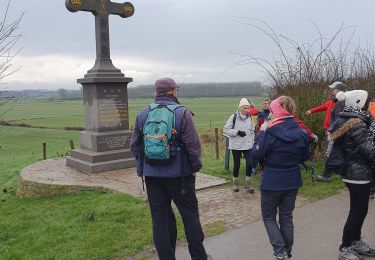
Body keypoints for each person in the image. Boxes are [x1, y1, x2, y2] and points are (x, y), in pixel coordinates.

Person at [130, 78, 209, 260]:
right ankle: (199, 257)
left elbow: (134, 147)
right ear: (174, 91)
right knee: (189, 216)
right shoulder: (182, 113)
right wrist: (194, 167)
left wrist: (145, 167)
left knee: (160, 221)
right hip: (180, 176)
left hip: (152, 177)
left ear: (156, 92)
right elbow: (193, 146)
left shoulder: (143, 114)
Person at [252, 96, 310, 260]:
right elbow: (303, 157)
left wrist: (261, 132)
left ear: (275, 111)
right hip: (292, 179)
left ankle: (280, 251)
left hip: (272, 180)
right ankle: (287, 251)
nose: (269, 113)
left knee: (269, 217)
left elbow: (256, 155)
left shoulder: (269, 132)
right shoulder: (301, 132)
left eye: (271, 110)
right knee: (286, 216)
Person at [329, 90, 375, 260]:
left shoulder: (350, 120)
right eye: (367, 102)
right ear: (359, 103)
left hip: (354, 172)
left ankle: (355, 241)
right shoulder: (358, 124)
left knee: (360, 210)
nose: (369, 105)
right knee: (357, 211)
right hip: (358, 173)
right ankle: (345, 247)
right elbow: (369, 151)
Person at [305, 81, 347, 182]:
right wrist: (311, 110)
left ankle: (327, 175)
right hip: (328, 130)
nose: (331, 91)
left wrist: (334, 130)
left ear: (339, 90)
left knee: (329, 152)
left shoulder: (343, 102)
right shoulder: (332, 100)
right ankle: (342, 173)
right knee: (334, 151)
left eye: (333, 89)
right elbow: (323, 107)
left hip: (334, 131)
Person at [223, 98, 256, 193]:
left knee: (250, 163)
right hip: (236, 145)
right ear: (240, 108)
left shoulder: (250, 117)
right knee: (237, 164)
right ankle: (235, 183)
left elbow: (252, 130)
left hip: (247, 145)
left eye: (248, 108)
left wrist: (252, 139)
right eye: (245, 108)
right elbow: (225, 129)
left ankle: (248, 183)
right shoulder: (233, 117)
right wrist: (237, 132)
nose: (247, 110)